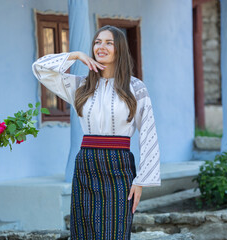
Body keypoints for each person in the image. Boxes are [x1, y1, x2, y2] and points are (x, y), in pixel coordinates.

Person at [32, 25, 160, 240]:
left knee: (116, 232)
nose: (101, 47)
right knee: (85, 232)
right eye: (97, 42)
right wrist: (76, 55)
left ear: (119, 48)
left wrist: (140, 180)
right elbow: (39, 68)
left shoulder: (135, 87)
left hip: (119, 166)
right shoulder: (80, 86)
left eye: (109, 43)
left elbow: (148, 133)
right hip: (87, 164)